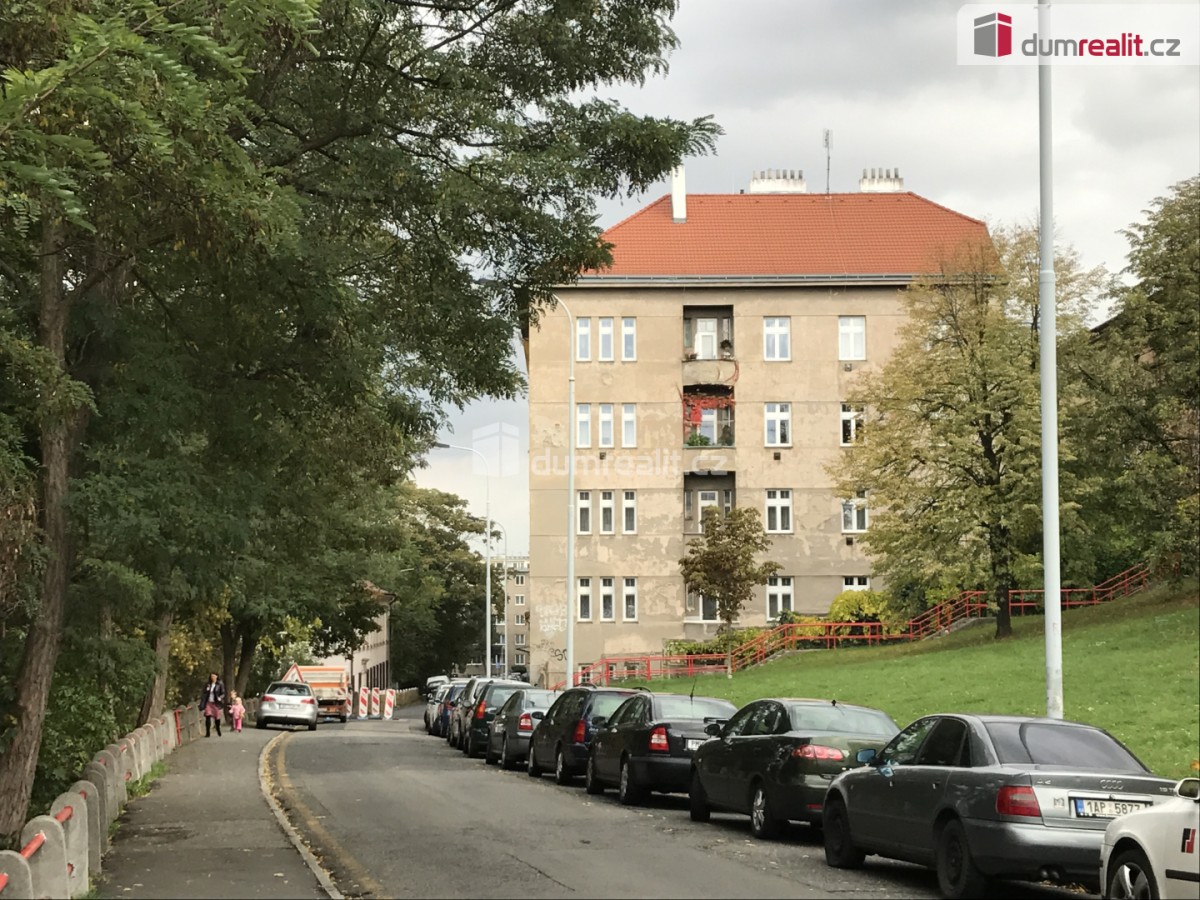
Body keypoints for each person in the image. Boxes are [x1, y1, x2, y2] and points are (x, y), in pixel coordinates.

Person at [200, 672, 226, 737]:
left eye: (214, 676)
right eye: (212, 676)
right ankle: (208, 732)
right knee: (207, 716)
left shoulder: (220, 684)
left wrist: (220, 697)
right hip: (208, 702)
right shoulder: (208, 684)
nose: (213, 677)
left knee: (217, 717)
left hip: (216, 703)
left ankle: (218, 728)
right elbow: (204, 692)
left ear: (216, 676)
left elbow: (223, 693)